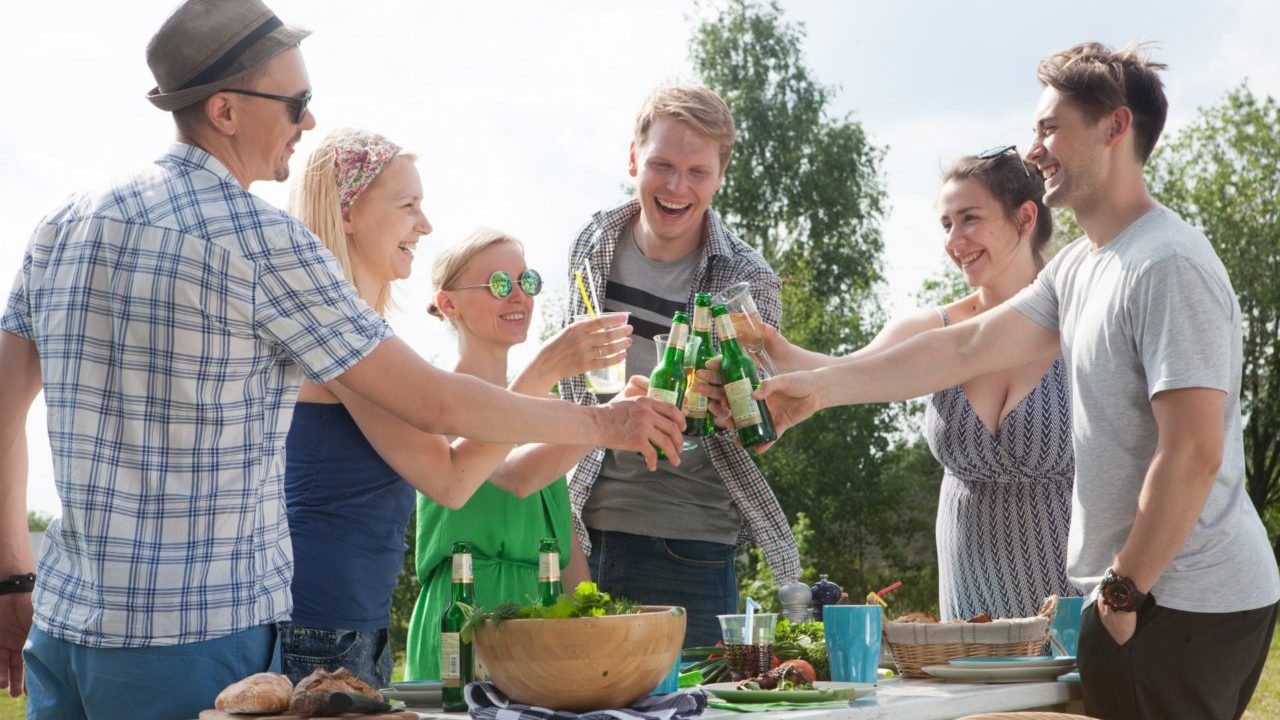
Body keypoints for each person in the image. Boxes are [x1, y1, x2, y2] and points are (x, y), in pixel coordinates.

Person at [0, 1, 683, 717]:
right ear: (226, 110)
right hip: (194, 642)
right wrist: (609, 425)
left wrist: (15, 577)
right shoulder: (260, 241)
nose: (309, 122)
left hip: (64, 634)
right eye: (295, 102)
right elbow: (436, 405)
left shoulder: (62, 224)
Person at [753, 42, 1280, 720]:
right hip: (1133, 603)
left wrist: (1122, 596)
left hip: (1183, 602)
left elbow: (1194, 452)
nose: (1034, 149)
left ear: (1115, 128)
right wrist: (823, 389)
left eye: (1049, 128)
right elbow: (965, 346)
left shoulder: (1168, 263)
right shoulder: (1083, 267)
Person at [750, 148, 1076, 620]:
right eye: (946, 224)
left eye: (969, 219)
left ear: (1026, 217)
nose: (954, 239)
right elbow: (848, 370)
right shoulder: (933, 330)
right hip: (970, 587)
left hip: (1068, 582)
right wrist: (773, 351)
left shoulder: (1078, 318)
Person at [559, 84, 800, 648]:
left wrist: (734, 404)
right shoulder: (592, 245)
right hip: (577, 531)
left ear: (720, 176)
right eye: (661, 165)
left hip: (687, 544)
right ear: (632, 159)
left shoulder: (747, 277)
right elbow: (571, 386)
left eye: (697, 171)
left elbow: (766, 420)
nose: (676, 186)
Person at [403, 229, 622, 681]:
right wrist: (611, 419)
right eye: (499, 284)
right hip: (463, 623)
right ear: (449, 305)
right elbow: (516, 476)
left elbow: (563, 545)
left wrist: (589, 624)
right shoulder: (433, 400)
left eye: (528, 281)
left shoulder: (538, 412)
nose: (518, 295)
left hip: (539, 630)